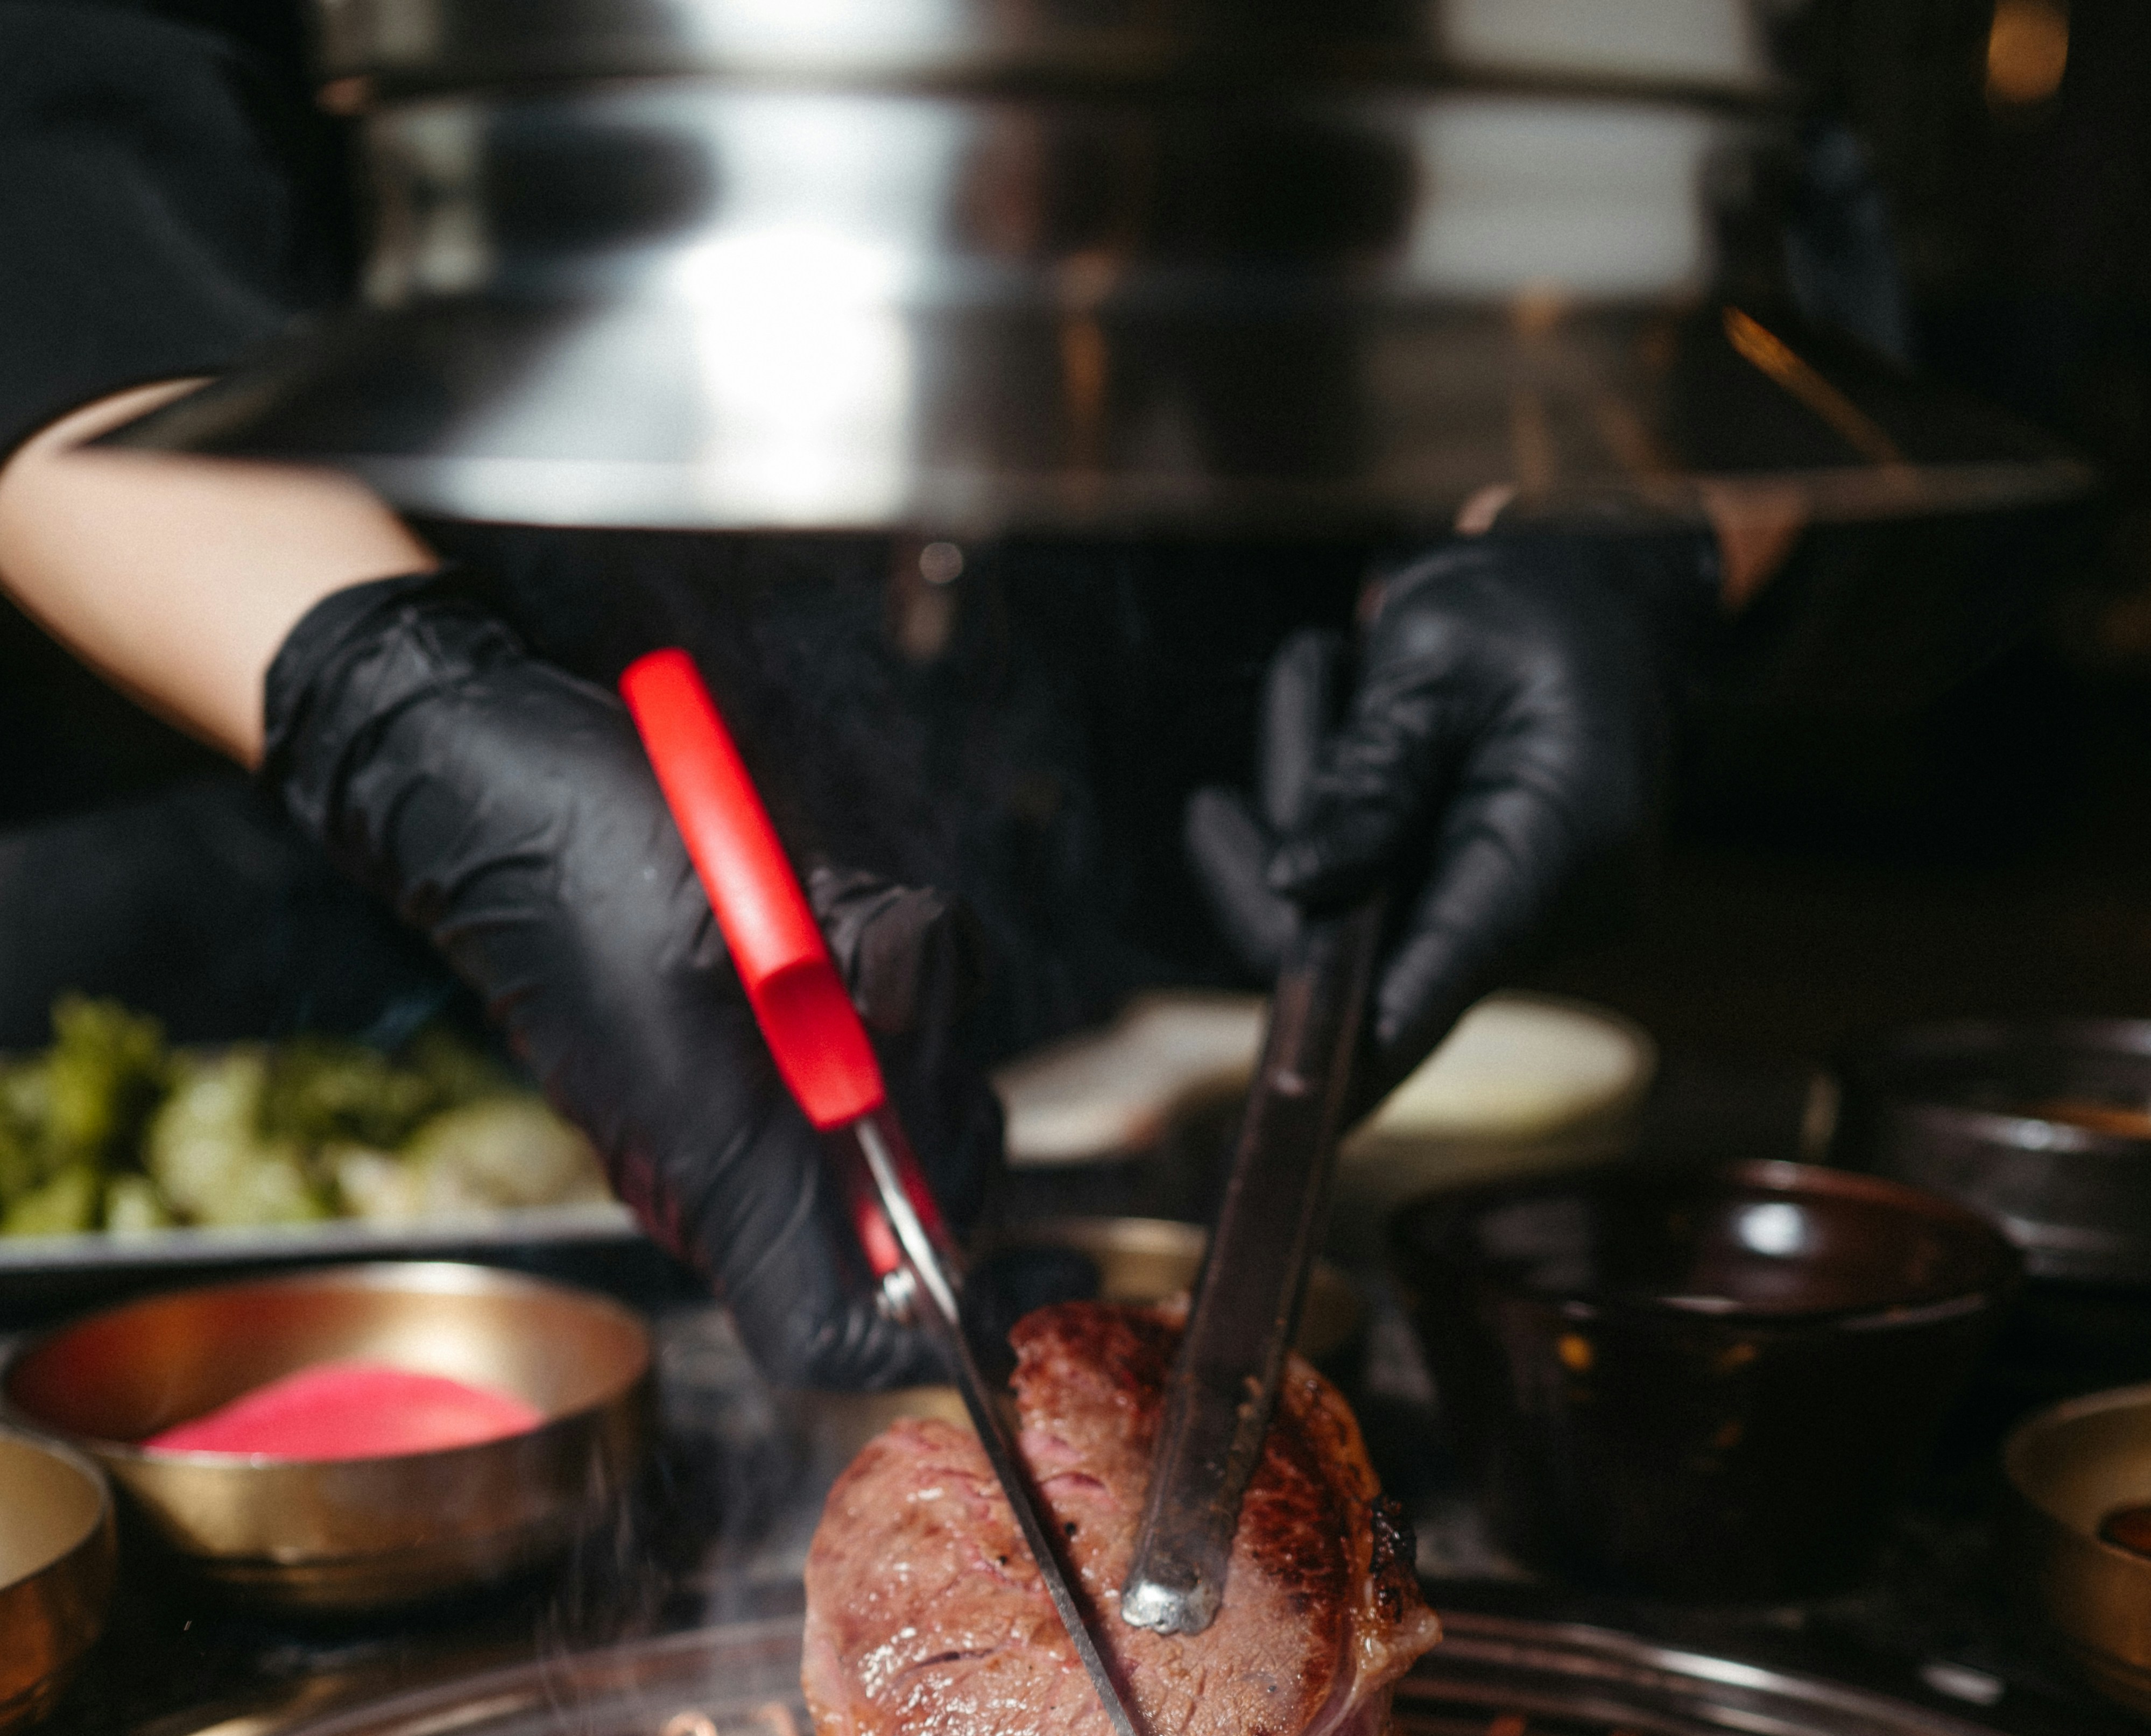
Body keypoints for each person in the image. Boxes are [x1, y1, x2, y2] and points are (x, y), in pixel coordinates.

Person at [0, 0, 1737, 1389]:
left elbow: (1749, 213)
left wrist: (1607, 527)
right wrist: (387, 713)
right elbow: (56, 135)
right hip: (319, 946)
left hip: (1179, 875)